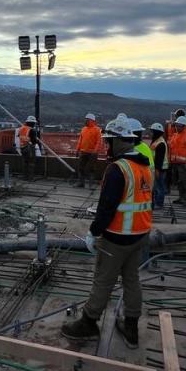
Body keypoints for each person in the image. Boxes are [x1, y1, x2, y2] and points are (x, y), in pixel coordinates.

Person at [61, 116, 153, 348]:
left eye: (110, 141)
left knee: (103, 279)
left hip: (117, 237)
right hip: (140, 234)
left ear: (122, 141)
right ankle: (131, 326)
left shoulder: (118, 169)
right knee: (132, 279)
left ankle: (88, 322)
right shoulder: (144, 166)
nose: (107, 145)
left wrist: (94, 232)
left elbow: (107, 208)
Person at [168, 116, 186, 204]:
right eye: (176, 125)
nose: (177, 127)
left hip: (183, 164)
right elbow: (171, 147)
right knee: (177, 181)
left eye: (179, 126)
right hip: (174, 163)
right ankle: (180, 197)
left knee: (183, 181)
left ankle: (184, 199)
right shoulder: (174, 135)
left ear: (183, 126)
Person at [73, 113, 102, 189]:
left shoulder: (97, 130)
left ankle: (91, 185)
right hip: (83, 152)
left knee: (92, 169)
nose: (86, 121)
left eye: (87, 120)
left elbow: (99, 141)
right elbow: (80, 140)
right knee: (80, 168)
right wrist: (77, 150)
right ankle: (81, 183)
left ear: (92, 121)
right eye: (85, 120)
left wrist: (95, 151)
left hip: (92, 153)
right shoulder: (83, 129)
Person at [149, 123, 168, 209]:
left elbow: (159, 159)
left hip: (160, 168)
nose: (151, 133)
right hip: (157, 168)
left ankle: (159, 203)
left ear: (156, 132)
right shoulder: (157, 140)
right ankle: (157, 202)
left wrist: (157, 170)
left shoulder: (160, 143)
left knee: (160, 187)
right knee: (157, 186)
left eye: (152, 131)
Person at [16, 116, 40, 180]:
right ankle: (30, 178)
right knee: (31, 163)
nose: (34, 124)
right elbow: (34, 141)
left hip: (22, 148)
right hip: (29, 148)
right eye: (34, 123)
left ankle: (25, 177)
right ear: (32, 123)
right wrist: (37, 140)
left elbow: (19, 136)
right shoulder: (32, 130)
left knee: (25, 163)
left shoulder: (21, 128)